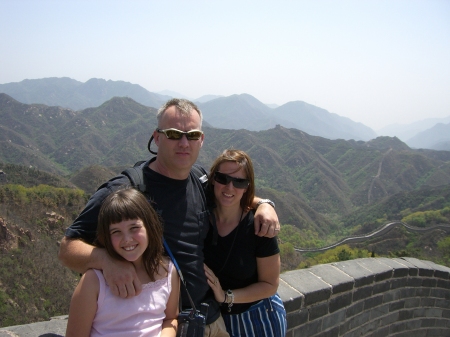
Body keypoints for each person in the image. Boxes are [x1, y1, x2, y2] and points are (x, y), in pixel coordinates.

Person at [58, 98, 280, 337]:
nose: (184, 143)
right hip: (162, 326)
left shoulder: (199, 179)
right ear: (157, 137)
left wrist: (264, 204)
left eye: (192, 135)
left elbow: (230, 192)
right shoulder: (128, 190)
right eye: (174, 134)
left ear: (201, 140)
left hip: (210, 322)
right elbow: (68, 248)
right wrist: (108, 261)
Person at [66, 188, 180, 337]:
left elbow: (171, 318)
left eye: (134, 228)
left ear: (150, 226)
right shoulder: (93, 281)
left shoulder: (168, 271)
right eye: (116, 232)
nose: (127, 239)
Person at [203, 149, 287, 337]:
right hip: (216, 321)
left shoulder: (258, 227)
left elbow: (270, 285)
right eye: (223, 178)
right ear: (213, 179)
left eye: (239, 182)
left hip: (257, 318)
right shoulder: (201, 215)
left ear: (247, 186)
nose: (229, 187)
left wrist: (226, 296)